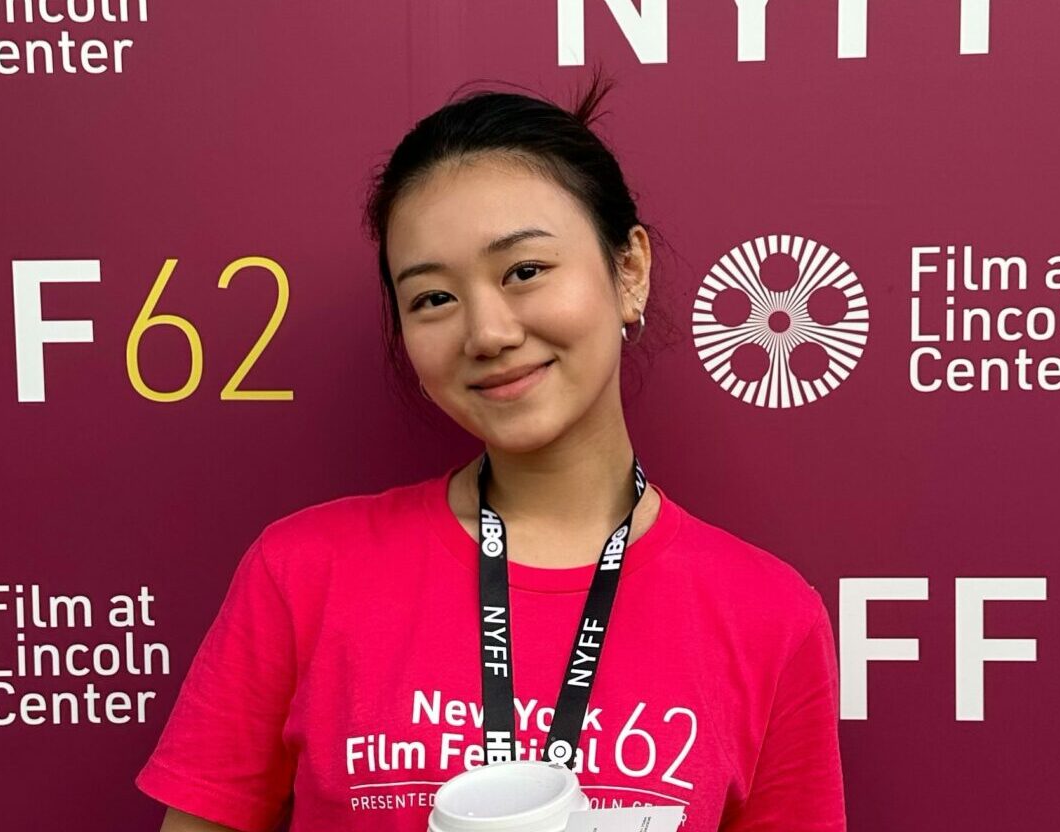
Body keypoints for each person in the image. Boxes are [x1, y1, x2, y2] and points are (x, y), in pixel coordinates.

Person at [137, 76, 845, 831]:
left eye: (524, 272)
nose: (488, 332)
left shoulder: (768, 616)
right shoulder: (302, 573)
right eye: (433, 298)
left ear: (629, 269)